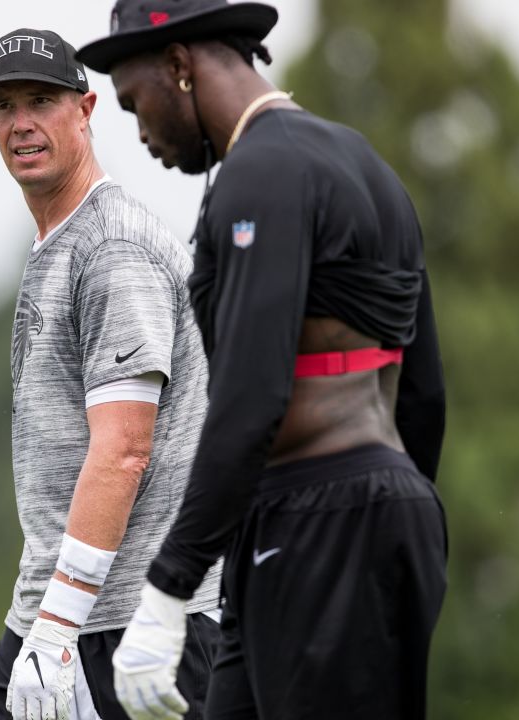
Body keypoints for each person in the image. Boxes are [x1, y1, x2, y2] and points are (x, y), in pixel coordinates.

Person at [77, 1, 449, 718]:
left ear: (180, 66)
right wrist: (399, 523)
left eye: (133, 103)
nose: (140, 131)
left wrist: (168, 585)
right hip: (354, 516)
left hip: (319, 522)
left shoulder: (260, 174)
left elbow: (251, 396)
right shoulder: (368, 166)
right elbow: (424, 393)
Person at [0, 28, 223, 720]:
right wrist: (44, 625)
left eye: (42, 101)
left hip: (127, 620)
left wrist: (56, 629)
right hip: (60, 613)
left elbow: (123, 450)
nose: (21, 123)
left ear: (85, 109)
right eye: (3, 106)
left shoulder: (112, 246)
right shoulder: (63, 240)